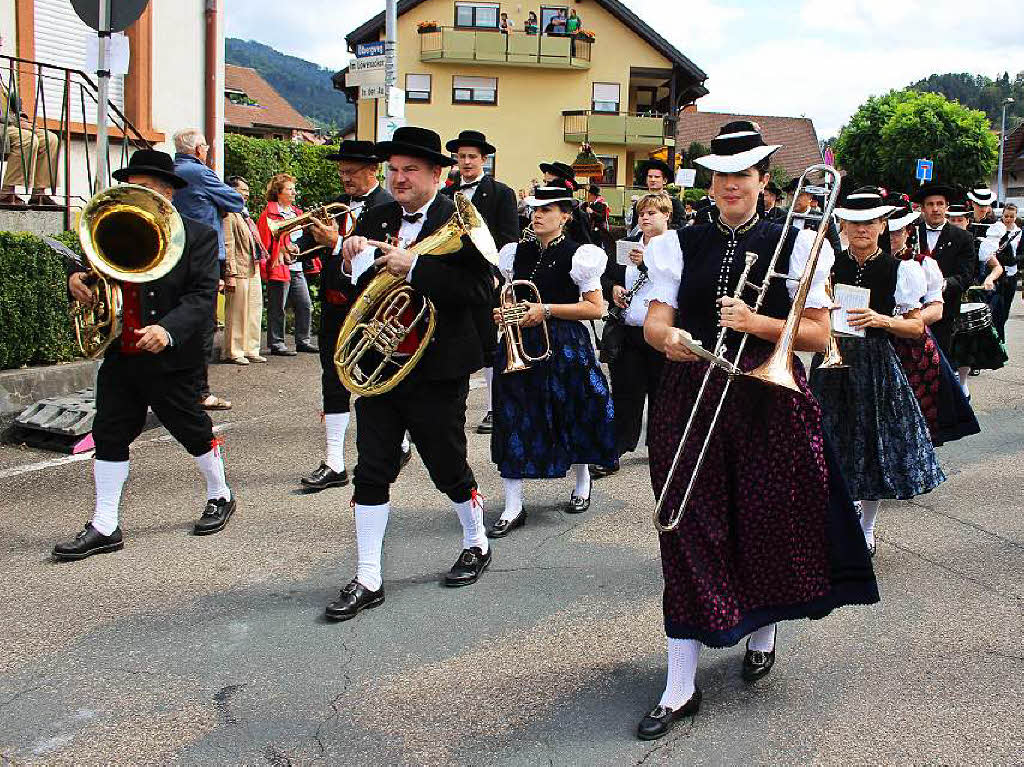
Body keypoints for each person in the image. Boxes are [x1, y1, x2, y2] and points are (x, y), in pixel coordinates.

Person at [637, 121, 878, 740]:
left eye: (742, 173)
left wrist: (757, 322)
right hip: (693, 388)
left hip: (769, 395)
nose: (729, 185)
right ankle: (679, 681)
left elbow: (820, 335)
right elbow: (654, 323)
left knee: (767, 520)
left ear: (763, 179)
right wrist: (669, 340)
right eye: (721, 175)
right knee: (687, 526)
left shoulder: (799, 241)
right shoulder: (676, 244)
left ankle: (763, 629)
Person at [324, 126, 495, 621]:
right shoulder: (377, 214)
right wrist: (350, 256)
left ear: (437, 175)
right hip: (381, 365)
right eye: (394, 170)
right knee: (372, 468)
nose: (398, 178)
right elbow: (348, 287)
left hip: (437, 367)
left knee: (446, 465)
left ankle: (476, 539)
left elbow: (480, 292)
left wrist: (415, 268)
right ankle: (367, 575)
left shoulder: (457, 218)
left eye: (409, 170)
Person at [54, 150, 236, 560]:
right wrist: (76, 281)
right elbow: (94, 272)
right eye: (133, 186)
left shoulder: (199, 236)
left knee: (191, 429)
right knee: (110, 432)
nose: (138, 194)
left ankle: (220, 494)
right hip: (123, 350)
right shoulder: (116, 227)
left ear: (168, 193)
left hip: (173, 354)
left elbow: (203, 296)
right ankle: (105, 524)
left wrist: (168, 329)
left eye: (148, 188)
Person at [810, 187, 945, 556]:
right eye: (853, 223)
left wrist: (881, 319)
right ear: (842, 225)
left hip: (874, 361)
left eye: (869, 222)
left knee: (872, 444)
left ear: (883, 225)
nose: (861, 229)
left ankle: (867, 528)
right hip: (831, 358)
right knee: (829, 441)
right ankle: (835, 517)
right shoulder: (828, 264)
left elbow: (916, 327)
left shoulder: (902, 269)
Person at [486, 185, 614, 538]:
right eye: (533, 208)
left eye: (547, 209)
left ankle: (583, 481)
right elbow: (509, 295)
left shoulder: (580, 255)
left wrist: (543, 310)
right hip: (519, 343)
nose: (537, 214)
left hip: (563, 342)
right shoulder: (514, 253)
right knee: (512, 417)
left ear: (566, 216)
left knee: (572, 411)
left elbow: (595, 308)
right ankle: (513, 505)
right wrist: (505, 313)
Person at [294, 140, 396, 491]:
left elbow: (378, 261)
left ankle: (395, 442)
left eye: (351, 172)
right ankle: (334, 461)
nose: (345, 179)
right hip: (336, 306)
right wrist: (305, 247)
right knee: (332, 379)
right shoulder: (338, 209)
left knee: (374, 377)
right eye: (341, 172)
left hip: (371, 309)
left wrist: (337, 242)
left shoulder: (388, 207)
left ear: (372, 171)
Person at [442, 130, 519, 435]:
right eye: (461, 157)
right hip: (450, 279)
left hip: (485, 278)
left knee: (488, 345)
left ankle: (492, 407)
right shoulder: (446, 195)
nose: (467, 162)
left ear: (484, 160)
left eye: (472, 157)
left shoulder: (501, 193)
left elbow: (509, 238)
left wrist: (497, 275)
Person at [887, 200, 979, 446]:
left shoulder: (922, 263)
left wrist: (899, 323)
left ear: (907, 232)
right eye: (888, 230)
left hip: (912, 345)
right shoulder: (873, 262)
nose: (892, 236)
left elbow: (936, 310)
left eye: (897, 231)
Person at [593, 192, 670, 479]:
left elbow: (674, 279)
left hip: (661, 332)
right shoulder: (628, 244)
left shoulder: (674, 247)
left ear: (666, 216)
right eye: (642, 213)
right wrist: (612, 288)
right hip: (628, 330)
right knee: (626, 392)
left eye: (652, 213)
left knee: (662, 394)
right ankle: (616, 449)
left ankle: (661, 447)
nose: (645, 218)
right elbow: (608, 276)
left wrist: (645, 263)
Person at [171, 128, 245, 411]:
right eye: (206, 147)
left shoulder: (171, 168)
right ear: (198, 149)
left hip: (175, 253)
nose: (208, 151)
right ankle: (199, 392)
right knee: (203, 323)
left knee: (177, 320)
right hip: (204, 255)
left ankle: (178, 388)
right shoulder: (199, 172)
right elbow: (235, 201)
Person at [945, 203, 1007, 393]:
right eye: (952, 220)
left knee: (966, 342)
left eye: (960, 220)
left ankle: (963, 383)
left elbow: (998, 268)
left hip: (968, 298)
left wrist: (989, 279)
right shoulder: (938, 242)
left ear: (967, 221)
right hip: (943, 296)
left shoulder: (978, 243)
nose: (956, 224)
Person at [912, 182, 976, 358]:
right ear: (923, 208)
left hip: (945, 314)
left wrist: (942, 285)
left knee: (940, 364)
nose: (935, 209)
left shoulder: (963, 238)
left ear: (946, 207)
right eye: (930, 204)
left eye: (940, 204)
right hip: (912, 311)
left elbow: (966, 276)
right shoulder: (911, 233)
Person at [257, 173, 318, 357]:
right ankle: (276, 343)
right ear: (279, 193)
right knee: (278, 307)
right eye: (290, 189)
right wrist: (266, 265)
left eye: (293, 189)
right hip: (279, 264)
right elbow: (264, 242)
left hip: (296, 266)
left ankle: (303, 341)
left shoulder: (298, 213)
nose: (294, 192)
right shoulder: (269, 214)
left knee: (305, 304)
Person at [0, 53, 60, 207]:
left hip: (11, 124)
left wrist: (23, 119)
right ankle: (7, 192)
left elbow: (9, 105)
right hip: (3, 125)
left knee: (50, 139)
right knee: (26, 139)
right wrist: (15, 122)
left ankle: (39, 193)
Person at [221, 176, 268, 365]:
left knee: (254, 309)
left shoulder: (244, 214)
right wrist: (229, 273)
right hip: (239, 268)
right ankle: (234, 350)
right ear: (231, 191)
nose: (247, 195)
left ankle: (251, 348)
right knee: (237, 311)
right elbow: (228, 243)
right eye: (243, 191)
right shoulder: (228, 213)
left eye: (247, 191)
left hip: (252, 266)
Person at [980, 203, 1021, 342]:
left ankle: (998, 338)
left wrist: (1015, 260)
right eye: (1006, 216)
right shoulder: (996, 231)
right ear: (1002, 216)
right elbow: (991, 252)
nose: (1008, 219)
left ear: (1016, 217)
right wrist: (1005, 260)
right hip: (998, 275)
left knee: (1006, 311)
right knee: (996, 308)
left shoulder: (1019, 233)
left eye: (1012, 216)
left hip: (1012, 276)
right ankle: (995, 339)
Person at [629, 159, 686, 230]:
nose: (653, 180)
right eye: (650, 176)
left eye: (657, 177)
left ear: (664, 180)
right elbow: (634, 227)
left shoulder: (674, 203)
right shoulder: (639, 203)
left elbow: (680, 226)